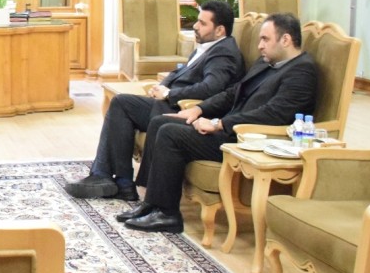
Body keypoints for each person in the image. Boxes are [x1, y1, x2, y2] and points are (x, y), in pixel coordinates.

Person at [120, 13, 318, 233]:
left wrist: (219, 124)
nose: (260, 46)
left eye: (265, 39)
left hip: (247, 140)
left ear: (286, 40)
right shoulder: (267, 63)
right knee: (160, 122)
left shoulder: (301, 71)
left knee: (169, 134)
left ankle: (168, 215)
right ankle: (151, 204)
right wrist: (199, 109)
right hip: (230, 129)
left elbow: (272, 115)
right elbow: (233, 93)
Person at [65, 0, 244, 202]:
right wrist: (162, 86)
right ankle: (118, 181)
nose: (195, 26)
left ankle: (111, 178)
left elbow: (211, 88)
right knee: (121, 103)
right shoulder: (208, 46)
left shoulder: (224, 53)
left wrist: (169, 94)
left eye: (202, 23)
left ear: (219, 30)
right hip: (170, 103)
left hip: (183, 110)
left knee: (123, 104)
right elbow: (180, 72)